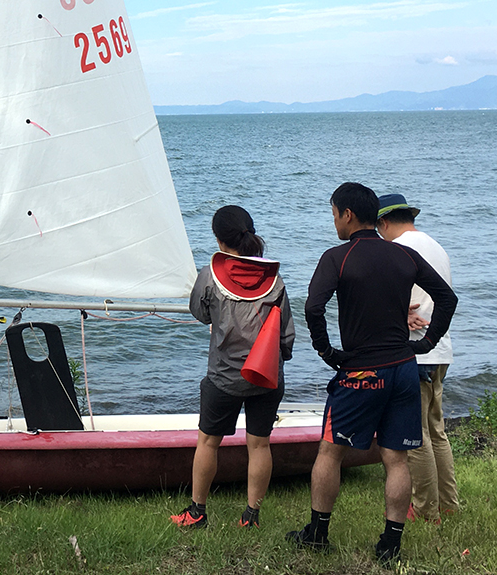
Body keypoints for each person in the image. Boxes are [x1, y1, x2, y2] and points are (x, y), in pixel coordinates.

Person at [287, 182, 458, 564]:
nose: (333, 221)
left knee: (330, 451)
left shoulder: (337, 257)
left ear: (347, 215)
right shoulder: (403, 256)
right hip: (402, 369)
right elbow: (447, 297)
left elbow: (314, 307)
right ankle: (390, 544)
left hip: (361, 371)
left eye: (333, 214)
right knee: (396, 458)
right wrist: (426, 343)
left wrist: (327, 351)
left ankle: (317, 533)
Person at [170, 205, 295, 530]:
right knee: (260, 444)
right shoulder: (274, 278)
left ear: (218, 239)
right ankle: (251, 517)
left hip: (224, 377)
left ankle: (197, 512)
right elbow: (286, 332)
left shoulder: (210, 276)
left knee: (209, 442)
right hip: (267, 377)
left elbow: (199, 311)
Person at [376, 192, 458, 524]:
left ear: (382, 222)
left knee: (416, 436)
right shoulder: (434, 245)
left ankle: (426, 510)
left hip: (415, 351)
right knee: (436, 430)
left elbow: (394, 301)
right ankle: (448, 503)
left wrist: (395, 314)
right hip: (440, 349)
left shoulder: (398, 250)